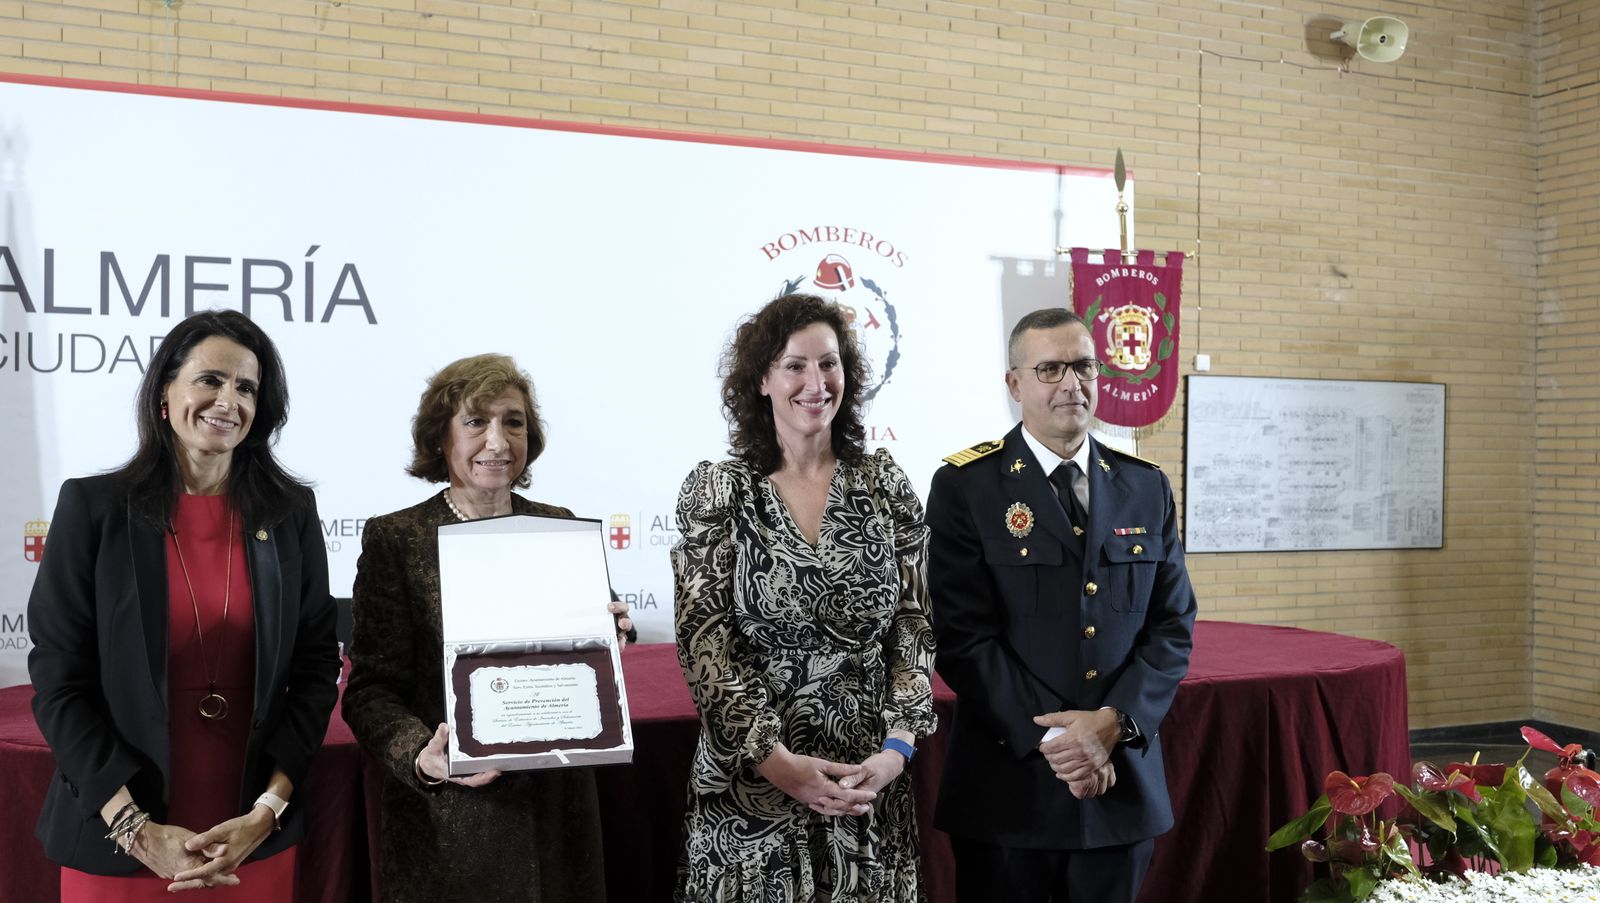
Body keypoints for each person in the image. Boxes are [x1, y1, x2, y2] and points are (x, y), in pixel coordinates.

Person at [27, 310, 340, 900]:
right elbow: (60, 683)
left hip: (248, 839)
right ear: (164, 395)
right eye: (209, 380)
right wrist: (135, 829)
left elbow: (317, 668)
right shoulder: (94, 509)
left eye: (246, 387)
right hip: (120, 840)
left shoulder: (289, 514)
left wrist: (268, 810)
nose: (228, 400)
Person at [926, 307, 1198, 903]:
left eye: (1083, 367)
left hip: (1118, 784)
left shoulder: (1145, 485)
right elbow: (961, 636)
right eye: (1050, 369)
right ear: (1014, 383)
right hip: (1011, 790)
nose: (1071, 384)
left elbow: (1172, 624)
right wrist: (1067, 745)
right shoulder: (967, 486)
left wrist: (1113, 723)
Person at [670, 293, 936, 902]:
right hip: (753, 793)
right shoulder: (719, 491)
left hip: (867, 785)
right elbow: (704, 645)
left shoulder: (885, 484)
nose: (816, 383)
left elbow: (914, 625)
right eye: (795, 365)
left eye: (829, 363)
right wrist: (778, 764)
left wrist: (897, 749)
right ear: (761, 379)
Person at [342, 353, 632, 903]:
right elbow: (369, 691)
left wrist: (610, 631)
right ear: (440, 438)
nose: (497, 441)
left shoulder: (560, 527)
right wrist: (421, 754)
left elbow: (587, 659)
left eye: (513, 422)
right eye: (476, 422)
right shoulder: (396, 540)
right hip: (452, 827)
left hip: (560, 822)